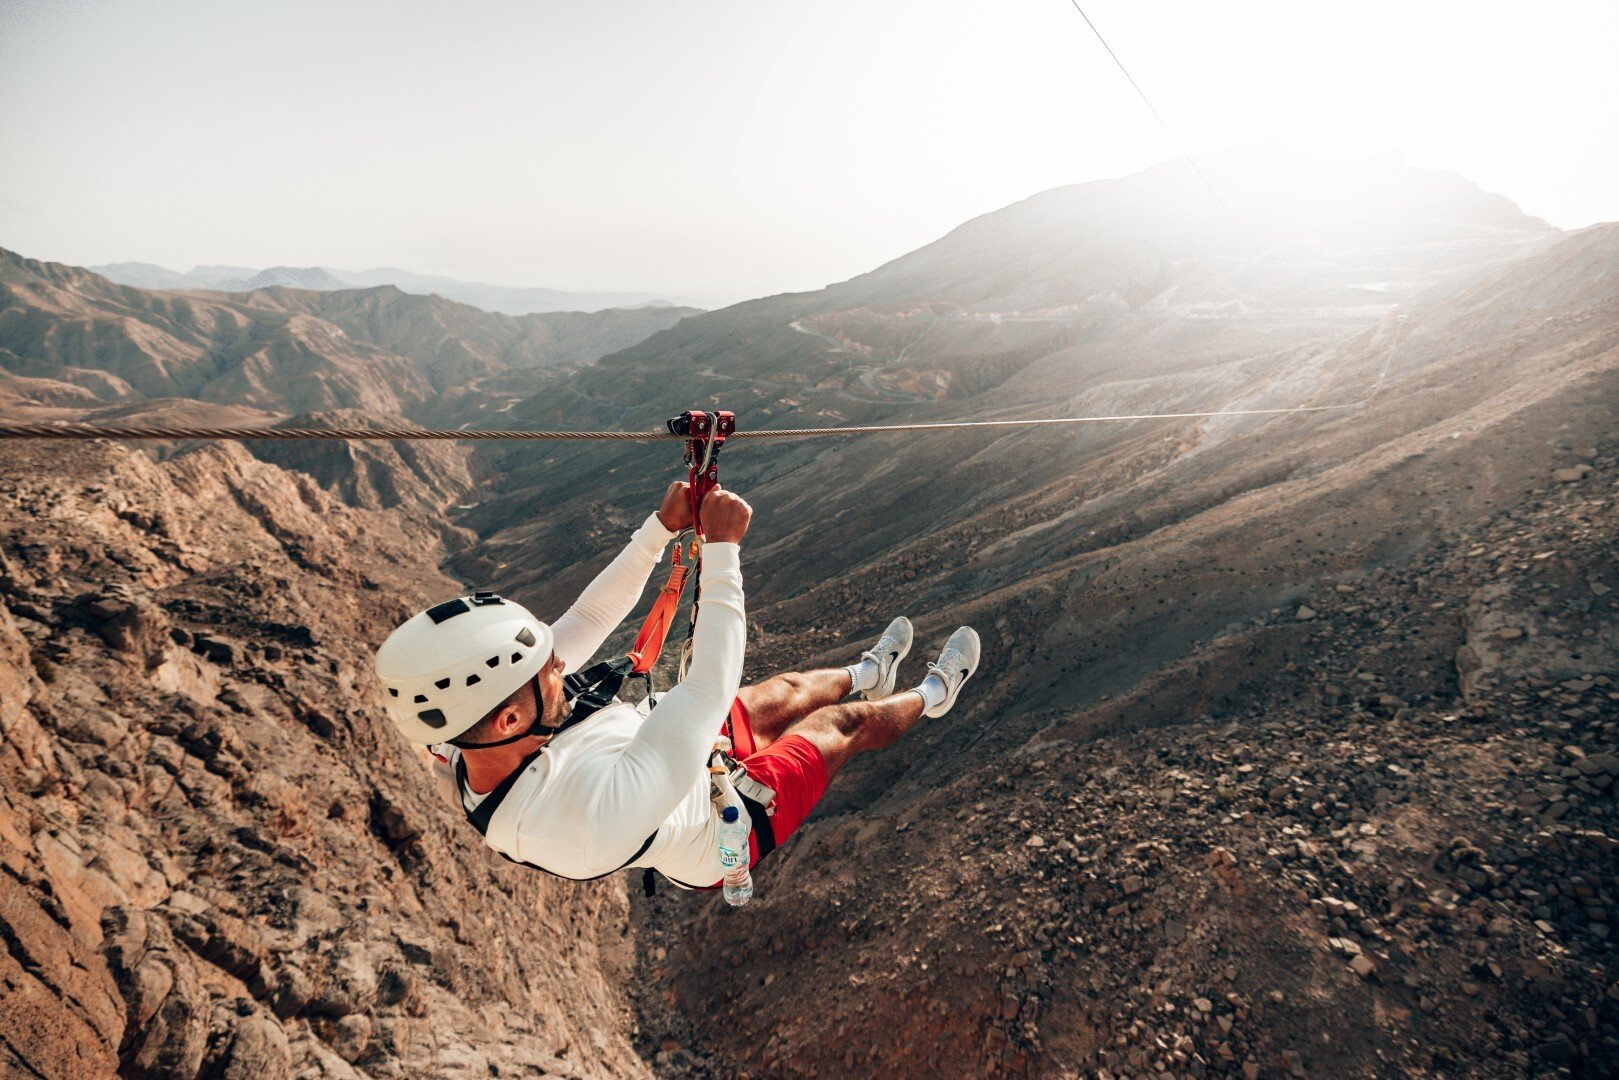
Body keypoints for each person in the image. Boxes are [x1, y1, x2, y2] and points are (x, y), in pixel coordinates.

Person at [373, 480, 979, 890]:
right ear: (509, 719)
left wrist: (660, 528)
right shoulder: (582, 821)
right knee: (839, 727)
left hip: (658, 750)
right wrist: (721, 550)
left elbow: (584, 622)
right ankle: (933, 695)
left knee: (791, 688)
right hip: (719, 825)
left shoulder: (471, 731)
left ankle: (870, 673)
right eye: (546, 671)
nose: (560, 665)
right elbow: (710, 685)